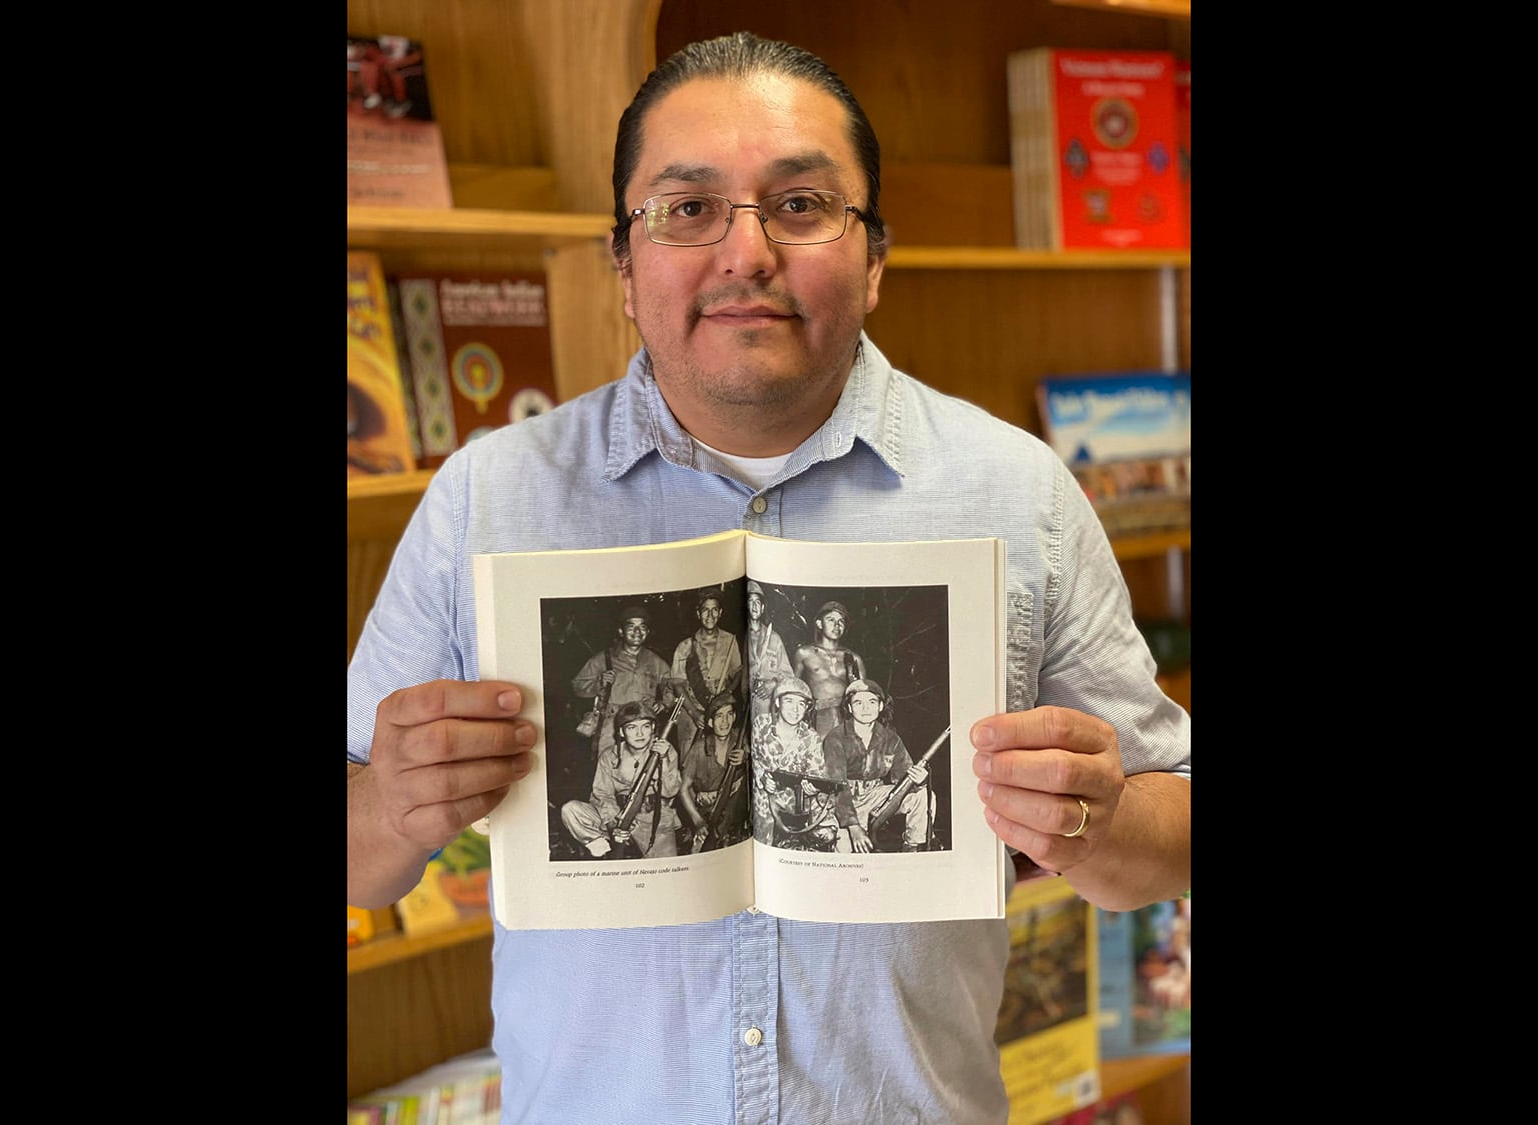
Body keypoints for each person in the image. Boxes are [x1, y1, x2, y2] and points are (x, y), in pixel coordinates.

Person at [346, 30, 1190, 1122]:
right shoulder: (486, 498)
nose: (743, 255)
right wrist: (393, 804)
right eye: (686, 209)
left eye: (799, 206)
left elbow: (1169, 840)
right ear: (622, 264)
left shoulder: (1016, 491)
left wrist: (1099, 817)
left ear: (874, 259)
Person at [557, 699, 694, 858]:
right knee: (571, 810)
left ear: (653, 729)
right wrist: (614, 824)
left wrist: (664, 761)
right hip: (617, 814)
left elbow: (670, 791)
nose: (640, 734)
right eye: (632, 728)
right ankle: (605, 849)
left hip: (654, 820)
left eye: (646, 726)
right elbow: (601, 795)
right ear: (622, 732)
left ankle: (632, 852)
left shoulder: (665, 750)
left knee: (663, 870)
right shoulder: (609, 756)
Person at [821, 677, 932, 853]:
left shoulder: (891, 738)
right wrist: (854, 828)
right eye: (858, 703)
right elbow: (837, 787)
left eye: (872, 702)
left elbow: (904, 780)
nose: (866, 708)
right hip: (842, 802)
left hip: (875, 795)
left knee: (924, 795)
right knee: (843, 855)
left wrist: (920, 781)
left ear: (880, 706)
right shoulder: (836, 738)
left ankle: (912, 848)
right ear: (849, 708)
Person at [569, 603, 672, 754]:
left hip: (643, 726)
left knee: (642, 771)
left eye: (642, 627)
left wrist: (664, 703)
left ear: (647, 631)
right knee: (608, 769)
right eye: (631, 627)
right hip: (611, 727)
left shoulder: (656, 662)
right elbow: (577, 687)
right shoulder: (602, 659)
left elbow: (671, 685)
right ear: (621, 631)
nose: (637, 631)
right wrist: (599, 682)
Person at [750, 676, 837, 851]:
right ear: (777, 702)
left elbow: (817, 774)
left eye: (801, 704)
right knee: (762, 847)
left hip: (796, 803)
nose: (795, 710)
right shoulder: (760, 725)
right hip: (764, 801)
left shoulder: (811, 737)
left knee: (826, 834)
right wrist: (762, 777)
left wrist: (814, 788)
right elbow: (752, 759)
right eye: (789, 701)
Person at [679, 690, 748, 853]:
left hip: (735, 815)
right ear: (710, 722)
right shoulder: (698, 749)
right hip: (708, 814)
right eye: (719, 716)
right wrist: (698, 822)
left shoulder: (741, 742)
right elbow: (683, 790)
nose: (725, 722)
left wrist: (747, 759)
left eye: (729, 714)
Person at [668, 587, 743, 735]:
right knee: (690, 755)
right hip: (691, 711)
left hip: (720, 711)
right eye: (705, 610)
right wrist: (694, 713)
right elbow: (678, 685)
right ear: (698, 613)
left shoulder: (730, 641)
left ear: (720, 613)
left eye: (714, 610)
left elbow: (738, 673)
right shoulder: (685, 646)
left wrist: (726, 693)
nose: (710, 615)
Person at [792, 599, 864, 737]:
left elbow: (865, 692)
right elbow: (793, 688)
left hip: (846, 716)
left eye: (841, 621)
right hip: (818, 716)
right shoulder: (804, 653)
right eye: (831, 619)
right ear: (819, 624)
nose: (837, 625)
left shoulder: (854, 658)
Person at [743, 579, 793, 725]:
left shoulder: (774, 638)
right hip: (746, 702)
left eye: (758, 602)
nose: (754, 606)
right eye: (750, 601)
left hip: (769, 700)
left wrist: (773, 683)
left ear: (763, 607)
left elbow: (788, 674)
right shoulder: (740, 637)